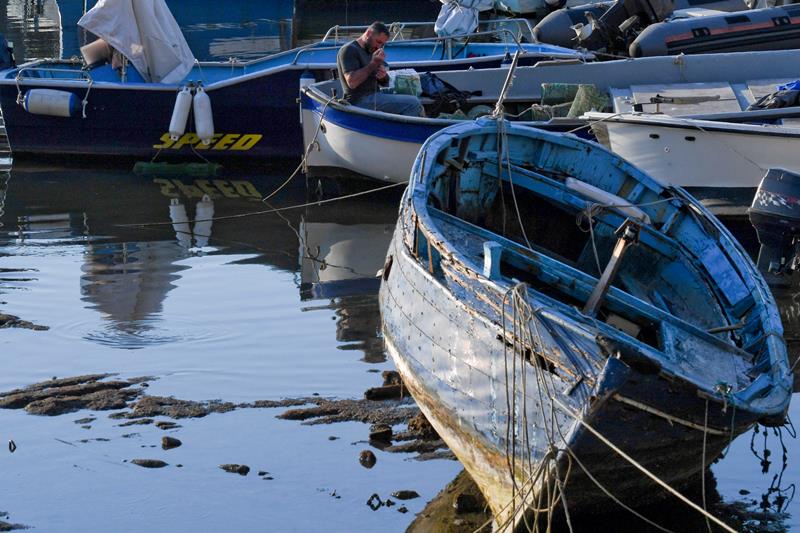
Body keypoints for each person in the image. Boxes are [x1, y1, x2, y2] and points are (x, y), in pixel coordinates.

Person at [336, 22, 423, 117]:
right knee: (413, 103)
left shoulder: (371, 50)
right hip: (358, 100)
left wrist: (383, 76)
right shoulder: (349, 50)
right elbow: (352, 82)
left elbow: (385, 83)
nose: (379, 47)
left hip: (375, 95)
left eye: (382, 44)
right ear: (369, 33)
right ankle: (405, 130)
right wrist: (373, 63)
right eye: (378, 42)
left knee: (413, 96)